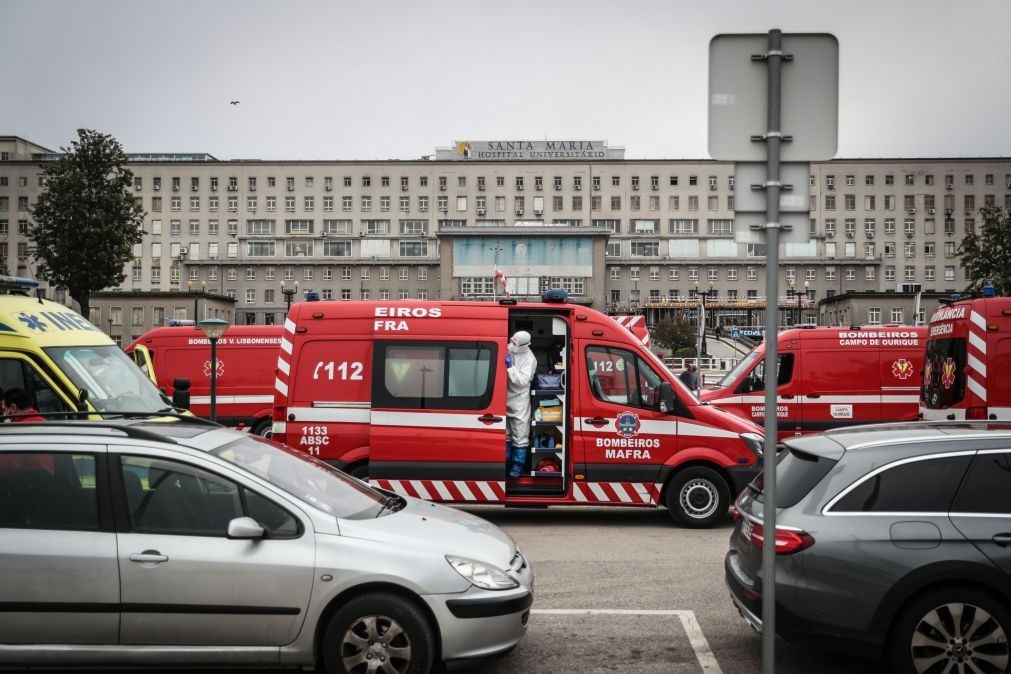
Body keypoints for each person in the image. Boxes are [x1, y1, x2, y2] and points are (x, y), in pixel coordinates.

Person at [504, 330, 537, 479]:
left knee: (520, 434)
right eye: (512, 340)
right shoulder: (508, 349)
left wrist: (510, 367)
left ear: (523, 345)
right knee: (505, 434)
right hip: (503, 397)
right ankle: (504, 463)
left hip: (519, 400)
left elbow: (523, 381)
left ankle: (517, 466)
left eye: (514, 343)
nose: (511, 344)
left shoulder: (530, 358)